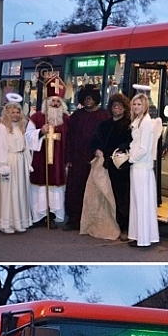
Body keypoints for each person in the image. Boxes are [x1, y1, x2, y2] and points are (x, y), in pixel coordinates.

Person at [0, 95, 33, 234]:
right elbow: (0, 147)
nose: (16, 115)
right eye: (13, 112)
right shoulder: (2, 129)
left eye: (18, 112)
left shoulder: (20, 127)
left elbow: (26, 146)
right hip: (9, 163)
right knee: (8, 193)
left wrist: (28, 162)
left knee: (20, 192)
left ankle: (19, 222)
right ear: (7, 113)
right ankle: (6, 224)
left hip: (20, 163)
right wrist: (3, 164)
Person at [64, 85, 109, 228]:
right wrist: (68, 158)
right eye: (85, 97)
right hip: (78, 159)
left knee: (96, 190)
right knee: (75, 189)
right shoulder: (76, 116)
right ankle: (74, 219)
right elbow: (69, 138)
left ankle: (93, 221)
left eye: (91, 97)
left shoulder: (104, 115)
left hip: (97, 159)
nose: (88, 100)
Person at [28, 77, 69, 225]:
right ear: (47, 102)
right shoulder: (37, 118)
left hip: (58, 160)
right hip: (40, 159)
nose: (55, 104)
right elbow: (28, 136)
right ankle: (39, 216)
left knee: (55, 189)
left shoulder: (66, 119)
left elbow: (70, 139)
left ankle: (52, 214)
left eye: (58, 101)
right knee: (39, 188)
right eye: (53, 101)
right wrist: (40, 132)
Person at [94, 93, 132, 237]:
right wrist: (96, 150)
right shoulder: (104, 125)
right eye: (114, 106)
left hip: (121, 167)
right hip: (105, 165)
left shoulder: (129, 125)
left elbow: (131, 143)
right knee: (105, 196)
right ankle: (109, 225)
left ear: (124, 108)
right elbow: (95, 141)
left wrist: (121, 150)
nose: (117, 109)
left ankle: (124, 227)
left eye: (120, 106)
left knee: (121, 197)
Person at [128, 91, 162, 247]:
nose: (136, 106)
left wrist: (130, 158)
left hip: (141, 166)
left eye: (139, 104)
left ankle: (142, 238)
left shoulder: (146, 123)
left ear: (145, 105)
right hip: (139, 165)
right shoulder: (140, 121)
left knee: (141, 203)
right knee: (138, 202)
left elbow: (143, 148)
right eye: (134, 104)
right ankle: (139, 236)